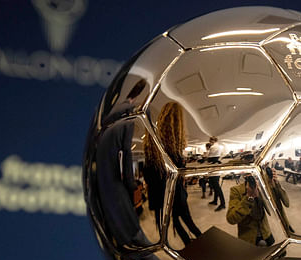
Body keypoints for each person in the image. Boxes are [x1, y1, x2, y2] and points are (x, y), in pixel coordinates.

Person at [94, 80, 149, 247]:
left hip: (102, 182)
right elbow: (126, 151)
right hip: (116, 184)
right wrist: (131, 184)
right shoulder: (129, 115)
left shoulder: (108, 116)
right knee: (134, 233)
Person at [144, 101, 202, 246]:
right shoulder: (175, 149)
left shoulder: (153, 145)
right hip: (176, 195)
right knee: (188, 223)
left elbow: (149, 175)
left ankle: (191, 246)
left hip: (162, 197)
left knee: (172, 225)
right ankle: (201, 248)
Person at [226, 175, 274, 246]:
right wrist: (249, 197)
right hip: (249, 238)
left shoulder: (263, 186)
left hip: (266, 233)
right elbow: (231, 218)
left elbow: (278, 206)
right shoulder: (236, 190)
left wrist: (274, 185)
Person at [265, 167, 293, 232]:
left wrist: (276, 184)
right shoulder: (262, 187)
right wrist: (267, 184)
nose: (269, 174)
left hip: (282, 220)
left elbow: (287, 203)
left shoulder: (276, 185)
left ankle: (288, 226)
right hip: (272, 225)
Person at [206, 137, 225, 211]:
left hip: (213, 169)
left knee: (217, 188)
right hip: (215, 169)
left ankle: (222, 204)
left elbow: (210, 158)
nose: (210, 142)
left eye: (211, 140)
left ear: (213, 140)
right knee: (215, 187)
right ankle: (215, 201)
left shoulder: (214, 147)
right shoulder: (218, 146)